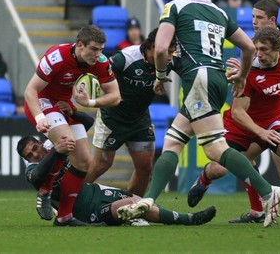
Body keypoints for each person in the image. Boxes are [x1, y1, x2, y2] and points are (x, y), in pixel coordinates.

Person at [117, 0, 280, 228]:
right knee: (173, 142)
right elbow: (249, 48)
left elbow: (161, 48)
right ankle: (148, 201)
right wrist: (242, 75)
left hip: (198, 79)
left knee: (215, 148)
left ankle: (267, 191)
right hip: (216, 79)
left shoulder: (174, 6)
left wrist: (160, 76)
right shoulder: (218, 11)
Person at [189, 0, 280, 224]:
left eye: (259, 18)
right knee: (224, 168)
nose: (253, 22)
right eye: (252, 17)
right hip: (250, 119)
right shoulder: (250, 67)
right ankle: (249, 207)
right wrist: (240, 73)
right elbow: (239, 108)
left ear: (272, 22)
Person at [23, 25, 121, 226]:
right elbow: (30, 91)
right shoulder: (56, 57)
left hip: (64, 106)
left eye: (101, 49)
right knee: (67, 142)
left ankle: (64, 217)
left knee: (84, 161)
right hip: (42, 102)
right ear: (79, 45)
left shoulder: (100, 62)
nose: (98, 54)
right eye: (94, 49)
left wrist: (90, 103)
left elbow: (115, 96)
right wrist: (40, 118)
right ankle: (45, 191)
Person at [17, 135, 217, 227]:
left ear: (39, 142)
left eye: (36, 147)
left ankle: (140, 217)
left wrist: (69, 111)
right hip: (87, 213)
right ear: (27, 160)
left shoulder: (54, 148)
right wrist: (55, 152)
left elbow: (85, 121)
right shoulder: (34, 170)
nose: (36, 153)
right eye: (30, 154)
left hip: (98, 192)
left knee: (142, 201)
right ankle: (188, 220)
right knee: (135, 205)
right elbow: (37, 176)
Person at [85, 28, 175, 196]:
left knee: (145, 167)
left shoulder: (169, 61)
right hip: (112, 119)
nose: (169, 56)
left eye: (172, 52)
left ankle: (131, 210)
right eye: (167, 51)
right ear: (153, 46)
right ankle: (66, 200)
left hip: (140, 120)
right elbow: (99, 72)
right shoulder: (125, 58)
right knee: (101, 165)